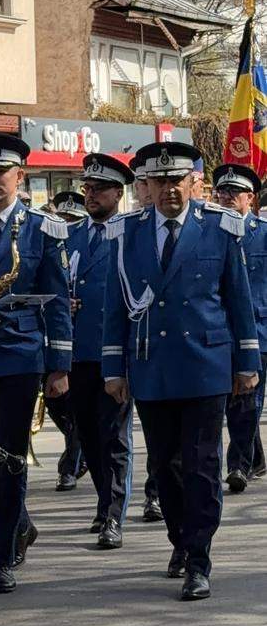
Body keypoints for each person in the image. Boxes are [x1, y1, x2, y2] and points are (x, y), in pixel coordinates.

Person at [102, 139, 259, 600]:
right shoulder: (125, 233)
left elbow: (238, 300)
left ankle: (199, 556)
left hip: (207, 364)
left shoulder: (220, 229)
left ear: (193, 183)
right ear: (146, 185)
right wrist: (114, 367)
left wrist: (247, 362)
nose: (169, 189)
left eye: (177, 180)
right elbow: (115, 307)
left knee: (203, 464)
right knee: (164, 466)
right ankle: (180, 540)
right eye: (160, 181)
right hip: (153, 366)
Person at [0, 133, 73, 593]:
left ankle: (1, 557)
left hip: (20, 353)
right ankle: (19, 520)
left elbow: (59, 300)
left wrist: (59, 364)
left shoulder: (43, 228)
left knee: (8, 455)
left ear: (19, 177)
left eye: (1, 173)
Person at [67, 154, 136, 548]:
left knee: (115, 437)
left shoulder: (129, 234)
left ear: (117, 193)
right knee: (89, 438)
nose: (90, 195)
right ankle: (103, 498)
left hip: (114, 353)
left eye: (98, 190)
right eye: (87, 189)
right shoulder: (72, 236)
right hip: (77, 353)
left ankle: (114, 516)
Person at [212, 163, 267, 490]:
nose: (228, 197)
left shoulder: (263, 232)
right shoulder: (209, 233)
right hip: (219, 332)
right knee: (233, 402)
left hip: (259, 332)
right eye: (223, 191)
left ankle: (238, 466)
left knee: (247, 401)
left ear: (250, 198)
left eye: (235, 193)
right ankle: (254, 458)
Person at [129, 153, 163, 523]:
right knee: (162, 448)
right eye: (143, 183)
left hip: (200, 357)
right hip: (145, 353)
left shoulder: (216, 228)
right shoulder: (127, 232)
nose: (147, 190)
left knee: (198, 458)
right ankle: (157, 494)